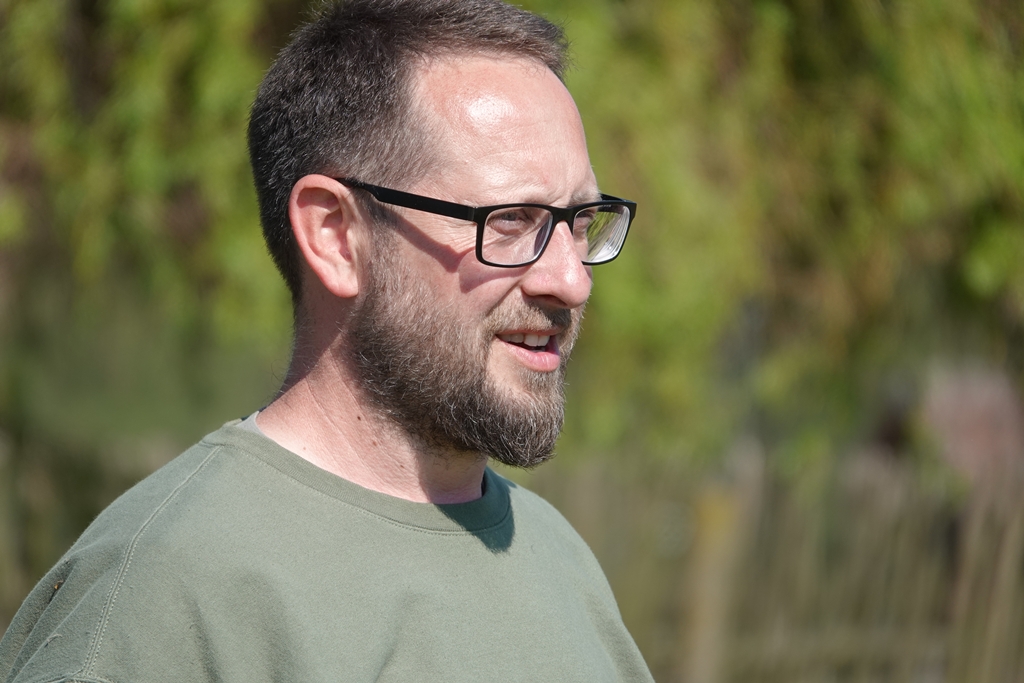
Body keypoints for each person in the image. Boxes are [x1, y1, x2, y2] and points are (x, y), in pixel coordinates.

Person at [0, 0, 651, 680]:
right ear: (336, 236)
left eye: (581, 221)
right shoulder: (164, 595)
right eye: (513, 220)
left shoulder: (561, 563)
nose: (572, 280)